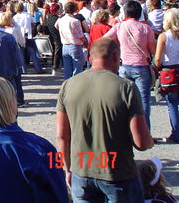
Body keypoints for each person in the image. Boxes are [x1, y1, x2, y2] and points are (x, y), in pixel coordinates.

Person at [56, 38, 153, 203]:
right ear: (115, 56)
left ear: (89, 57)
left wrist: (66, 169)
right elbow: (141, 143)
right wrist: (151, 141)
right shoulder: (126, 88)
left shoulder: (68, 85)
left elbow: (62, 136)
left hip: (81, 172)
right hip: (118, 173)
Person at [103, 0, 156, 128]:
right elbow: (153, 50)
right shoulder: (146, 28)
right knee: (143, 102)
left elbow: (104, 39)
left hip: (124, 65)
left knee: (124, 100)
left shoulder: (120, 26)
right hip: (142, 65)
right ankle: (144, 132)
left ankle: (126, 131)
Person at [153, 8, 179, 143]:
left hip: (169, 70)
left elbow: (157, 59)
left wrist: (157, 67)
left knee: (172, 103)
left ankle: (176, 133)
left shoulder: (164, 36)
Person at [55, 2, 87, 80]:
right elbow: (80, 35)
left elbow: (56, 26)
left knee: (67, 70)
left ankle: (67, 87)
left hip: (65, 46)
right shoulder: (75, 21)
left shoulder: (60, 20)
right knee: (77, 71)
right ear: (74, 10)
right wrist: (85, 42)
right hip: (75, 46)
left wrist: (63, 32)